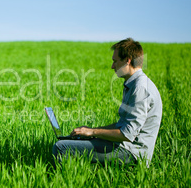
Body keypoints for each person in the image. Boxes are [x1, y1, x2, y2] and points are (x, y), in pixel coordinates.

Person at [52, 38, 162, 167]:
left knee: (61, 147)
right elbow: (123, 125)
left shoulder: (140, 88)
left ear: (127, 60)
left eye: (115, 61)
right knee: (82, 139)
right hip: (125, 146)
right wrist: (91, 131)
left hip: (131, 153)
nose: (112, 66)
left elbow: (127, 134)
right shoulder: (134, 84)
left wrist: (93, 132)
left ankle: (63, 182)